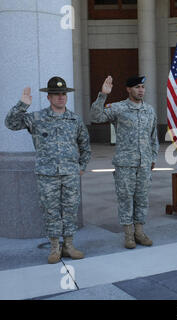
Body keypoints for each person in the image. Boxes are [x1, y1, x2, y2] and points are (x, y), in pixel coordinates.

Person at [5, 76, 91, 264]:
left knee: (70, 210)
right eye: (56, 94)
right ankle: (54, 248)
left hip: (70, 174)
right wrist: (22, 104)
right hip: (47, 175)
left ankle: (69, 246)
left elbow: (85, 145)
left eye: (63, 94)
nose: (61, 97)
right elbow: (10, 124)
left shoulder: (75, 119)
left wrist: (82, 167)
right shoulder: (36, 118)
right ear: (49, 98)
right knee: (51, 211)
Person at [90, 75, 158, 249]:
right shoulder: (119, 108)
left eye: (142, 87)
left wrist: (153, 157)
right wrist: (103, 95)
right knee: (126, 199)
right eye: (137, 87)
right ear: (128, 89)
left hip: (144, 163)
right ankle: (128, 235)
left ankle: (140, 232)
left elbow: (153, 137)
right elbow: (96, 116)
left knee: (142, 198)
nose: (141, 90)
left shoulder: (149, 110)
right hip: (125, 164)